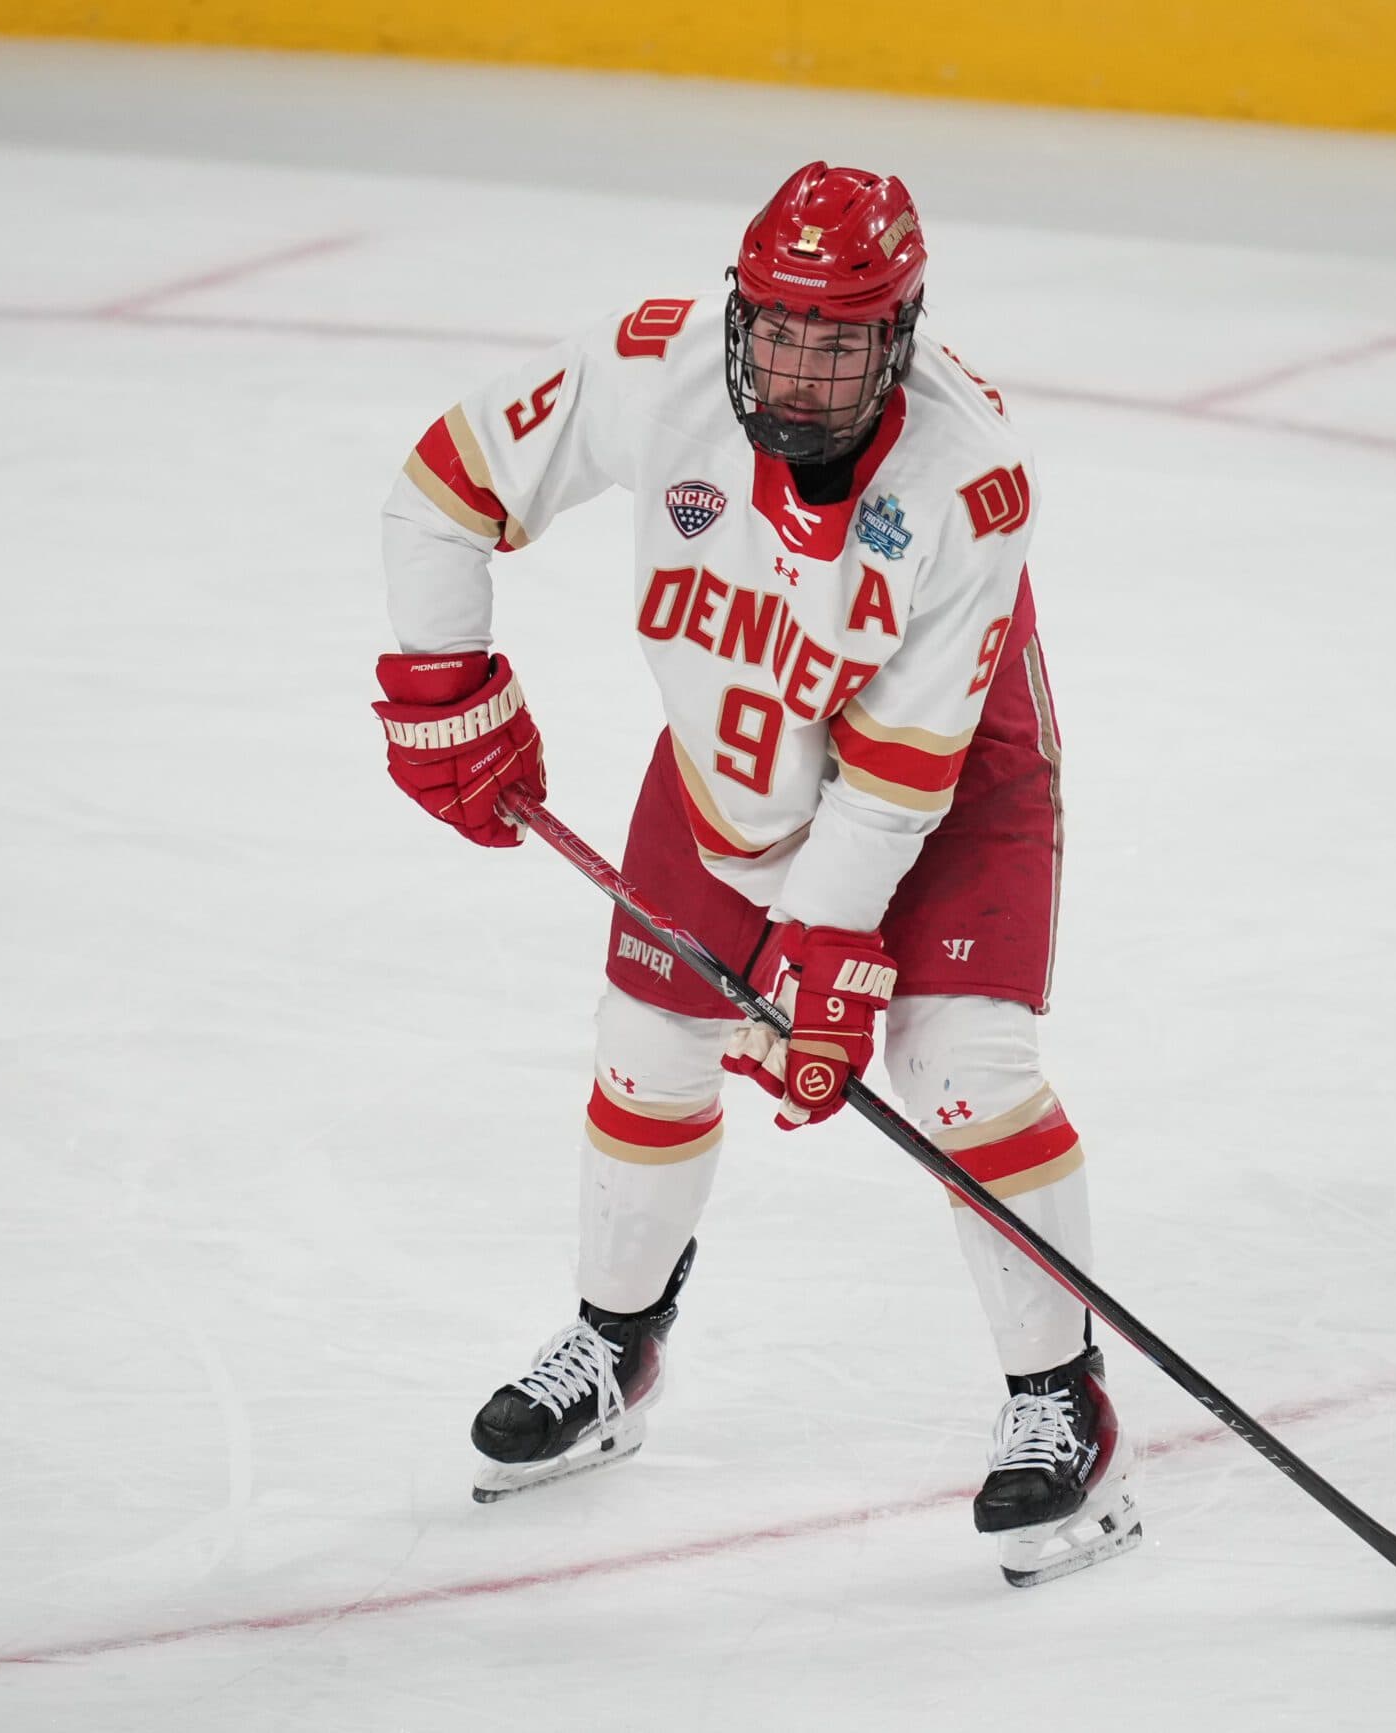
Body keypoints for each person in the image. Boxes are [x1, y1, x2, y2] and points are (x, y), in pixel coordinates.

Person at [370, 162, 1137, 1586]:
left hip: (949, 782)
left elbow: (903, 775)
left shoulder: (970, 479)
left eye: (840, 342)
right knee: (651, 1043)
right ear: (738, 314)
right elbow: (443, 488)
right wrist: (441, 671)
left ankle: (1061, 1396)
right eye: (779, 329)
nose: (800, 368)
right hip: (736, 754)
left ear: (898, 340)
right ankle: (616, 1343)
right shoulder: (651, 365)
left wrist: (820, 956)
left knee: (960, 1065)